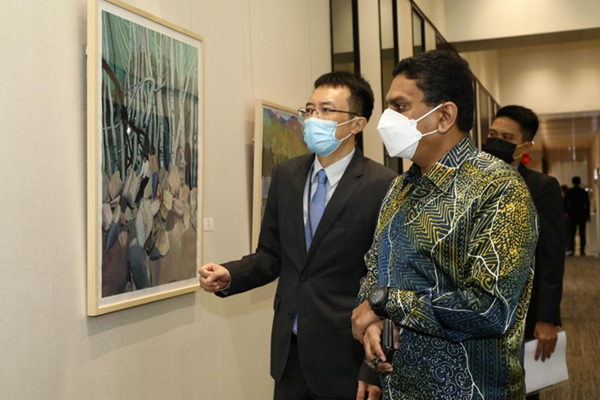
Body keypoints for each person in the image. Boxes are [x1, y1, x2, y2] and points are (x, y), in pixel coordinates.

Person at [198, 71, 398, 400]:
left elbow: (387, 278)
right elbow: (271, 255)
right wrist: (230, 275)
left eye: (326, 110)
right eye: (309, 109)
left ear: (357, 124)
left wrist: (372, 367)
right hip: (289, 355)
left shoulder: (383, 185)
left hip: (346, 358)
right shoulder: (287, 175)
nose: (313, 119)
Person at [351, 51, 538, 399]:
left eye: (400, 106)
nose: (386, 119)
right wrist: (373, 324)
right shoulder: (399, 188)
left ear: (445, 116)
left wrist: (386, 302)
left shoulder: (498, 188)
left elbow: (488, 308)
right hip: (398, 387)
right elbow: (375, 270)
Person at [484, 105, 566, 400]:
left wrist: (547, 317)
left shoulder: (542, 187)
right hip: (475, 316)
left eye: (507, 137)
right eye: (492, 134)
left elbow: (551, 256)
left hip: (522, 316)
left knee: (521, 391)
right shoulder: (470, 183)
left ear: (526, 145)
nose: (496, 142)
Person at [564, 176, 590, 256]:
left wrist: (566, 212)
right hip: (582, 214)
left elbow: (565, 201)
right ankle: (582, 250)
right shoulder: (583, 191)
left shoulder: (570, 191)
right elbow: (587, 204)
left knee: (572, 233)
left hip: (572, 214)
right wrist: (587, 215)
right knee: (582, 233)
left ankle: (572, 249)